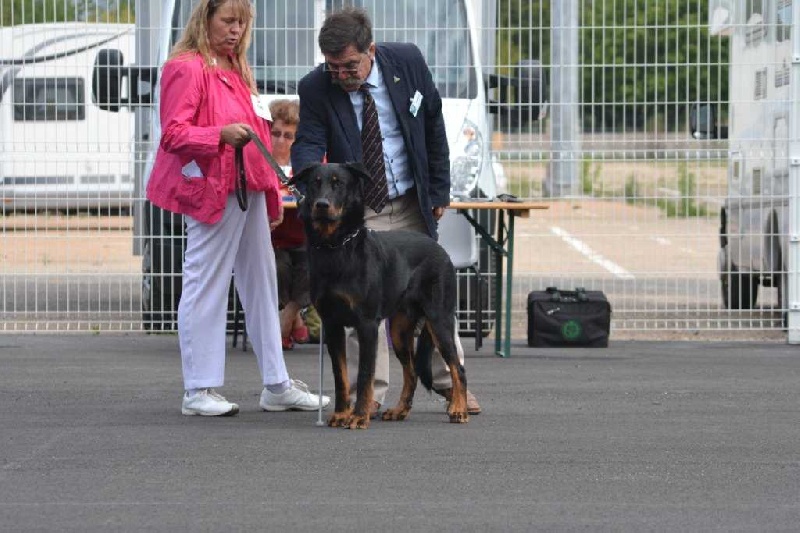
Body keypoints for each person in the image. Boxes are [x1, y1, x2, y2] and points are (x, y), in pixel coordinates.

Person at [291, 6, 480, 416]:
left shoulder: (407, 61)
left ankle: (452, 386)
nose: (340, 75)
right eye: (333, 68)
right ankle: (368, 394)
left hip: (412, 200)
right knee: (362, 305)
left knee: (429, 303)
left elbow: (432, 126)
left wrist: (439, 189)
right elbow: (308, 140)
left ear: (370, 51)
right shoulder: (316, 87)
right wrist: (305, 177)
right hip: (362, 208)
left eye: (349, 66)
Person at [146, 0, 329, 416]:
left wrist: (268, 194)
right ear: (205, 18)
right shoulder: (187, 66)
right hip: (213, 190)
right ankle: (198, 389)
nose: (236, 30)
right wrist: (220, 134)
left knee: (262, 283)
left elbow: (258, 136)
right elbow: (173, 133)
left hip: (244, 190)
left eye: (242, 23)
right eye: (228, 20)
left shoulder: (234, 67)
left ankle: (276, 383)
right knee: (205, 283)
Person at [268, 99, 311, 351]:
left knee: (313, 267)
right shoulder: (260, 162)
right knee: (278, 268)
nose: (281, 141)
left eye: (288, 135)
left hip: (304, 238)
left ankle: (287, 319)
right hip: (271, 239)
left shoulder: (307, 163)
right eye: (275, 133)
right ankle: (294, 319)